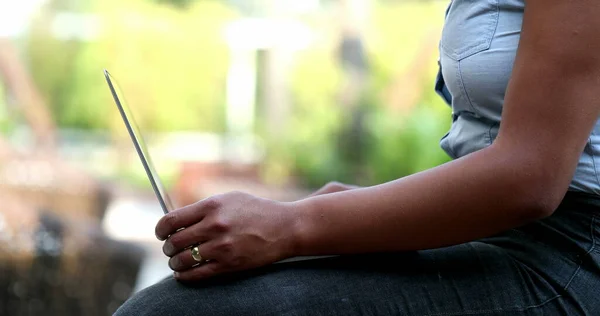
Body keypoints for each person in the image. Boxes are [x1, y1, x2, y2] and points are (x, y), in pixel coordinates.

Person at [115, 1, 600, 315]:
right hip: (498, 236)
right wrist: (365, 212)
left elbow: (529, 179)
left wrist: (293, 226)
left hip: (570, 260)